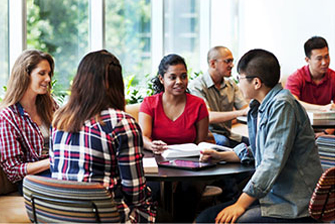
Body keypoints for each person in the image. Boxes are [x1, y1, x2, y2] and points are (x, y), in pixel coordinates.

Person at [196, 49, 323, 223]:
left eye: (239, 78)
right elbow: (260, 150)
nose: (237, 84)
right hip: (272, 197)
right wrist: (221, 155)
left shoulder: (282, 106)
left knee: (215, 220)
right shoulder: (262, 106)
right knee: (205, 218)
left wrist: (240, 204)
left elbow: (272, 161)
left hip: (294, 206)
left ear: (256, 82)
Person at [50, 50, 156, 223]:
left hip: (62, 216)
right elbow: (135, 193)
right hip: (103, 218)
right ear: (112, 83)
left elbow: (57, 171)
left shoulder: (60, 120)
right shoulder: (121, 123)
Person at [138, 54, 209, 222]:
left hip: (190, 166)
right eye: (173, 77)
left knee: (189, 190)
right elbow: (144, 137)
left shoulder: (198, 104)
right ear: (162, 79)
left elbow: (201, 143)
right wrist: (152, 145)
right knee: (153, 191)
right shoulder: (149, 103)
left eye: (183, 76)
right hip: (156, 165)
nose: (179, 81)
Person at [0, 49, 56, 195]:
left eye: (49, 74)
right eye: (42, 73)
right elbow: (13, 170)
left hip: (58, 171)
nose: (48, 79)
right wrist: (52, 161)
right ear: (25, 75)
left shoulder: (51, 105)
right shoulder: (7, 116)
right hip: (33, 182)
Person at [189, 46, 249, 147]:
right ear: (213, 64)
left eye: (232, 61)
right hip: (207, 135)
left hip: (227, 133)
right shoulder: (196, 86)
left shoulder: (231, 85)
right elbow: (208, 117)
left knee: (254, 144)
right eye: (228, 61)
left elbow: (245, 108)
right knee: (223, 142)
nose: (232, 65)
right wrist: (241, 112)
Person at [285, 36, 335, 137]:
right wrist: (322, 108)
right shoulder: (296, 78)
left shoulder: (333, 77)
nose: (325, 62)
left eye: (326, 56)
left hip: (326, 129)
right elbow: (292, 103)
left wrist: (325, 133)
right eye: (319, 59)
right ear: (307, 60)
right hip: (301, 129)